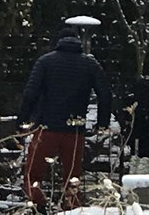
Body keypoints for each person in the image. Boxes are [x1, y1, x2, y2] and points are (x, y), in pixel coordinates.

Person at [17, 27, 112, 212]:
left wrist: (22, 121)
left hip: (47, 127)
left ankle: (38, 204)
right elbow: (105, 95)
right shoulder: (90, 64)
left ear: (58, 42)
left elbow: (30, 93)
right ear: (78, 43)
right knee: (72, 176)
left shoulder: (45, 62)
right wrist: (102, 123)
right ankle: (71, 208)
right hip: (75, 130)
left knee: (33, 172)